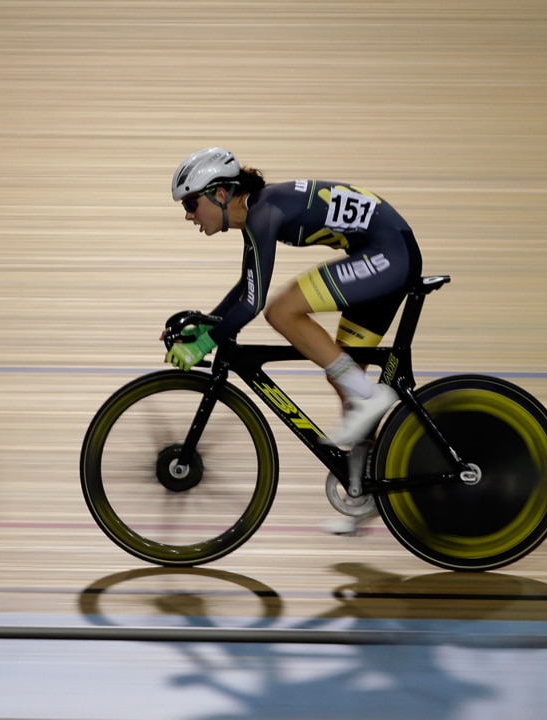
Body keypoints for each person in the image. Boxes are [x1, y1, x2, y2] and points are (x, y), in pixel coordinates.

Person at [165, 148, 422, 531]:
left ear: (219, 194)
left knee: (281, 311)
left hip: (388, 254)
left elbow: (253, 304)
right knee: (342, 373)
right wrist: (209, 325)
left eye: (190, 202)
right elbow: (245, 288)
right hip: (385, 252)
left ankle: (369, 396)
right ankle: (364, 491)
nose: (188, 215)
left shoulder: (263, 214)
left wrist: (203, 344)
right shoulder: (257, 213)